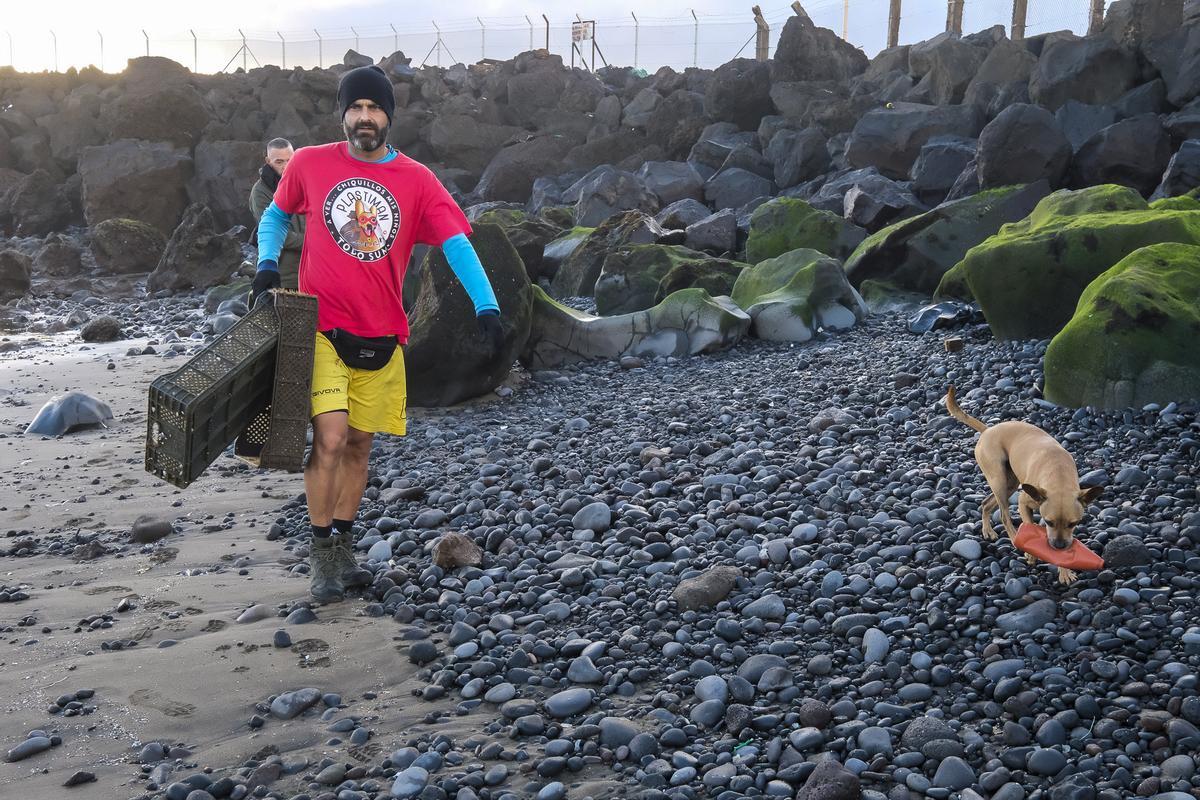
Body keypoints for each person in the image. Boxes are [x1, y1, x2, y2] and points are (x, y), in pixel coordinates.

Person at [252, 65, 505, 603]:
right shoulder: (311, 163)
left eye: (375, 108)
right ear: (343, 114)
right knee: (331, 437)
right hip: (319, 327)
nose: (365, 117)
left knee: (361, 447)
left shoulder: (417, 179)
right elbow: (273, 218)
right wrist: (267, 267)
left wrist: (487, 304)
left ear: (389, 115)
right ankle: (322, 559)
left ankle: (343, 549)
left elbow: (456, 242)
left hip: (384, 334)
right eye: (356, 107)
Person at [249, 138, 305, 289]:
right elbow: (272, 232)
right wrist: (311, 241)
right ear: (268, 161)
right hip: (282, 275)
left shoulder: (305, 183)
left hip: (311, 271)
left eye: (290, 160)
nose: (286, 166)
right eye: (279, 162)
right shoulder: (260, 191)